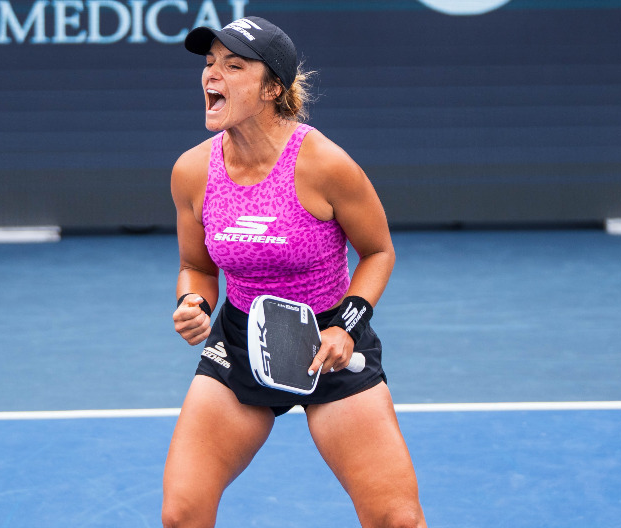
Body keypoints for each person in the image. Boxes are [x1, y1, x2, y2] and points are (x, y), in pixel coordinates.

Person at [163, 16, 427, 528]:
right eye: (210, 62)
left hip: (328, 341)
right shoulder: (192, 171)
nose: (212, 75)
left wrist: (344, 327)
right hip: (240, 341)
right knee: (182, 514)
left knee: (397, 520)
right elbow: (196, 266)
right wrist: (192, 302)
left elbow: (378, 252)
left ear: (272, 89)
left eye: (234, 65)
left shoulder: (324, 164)